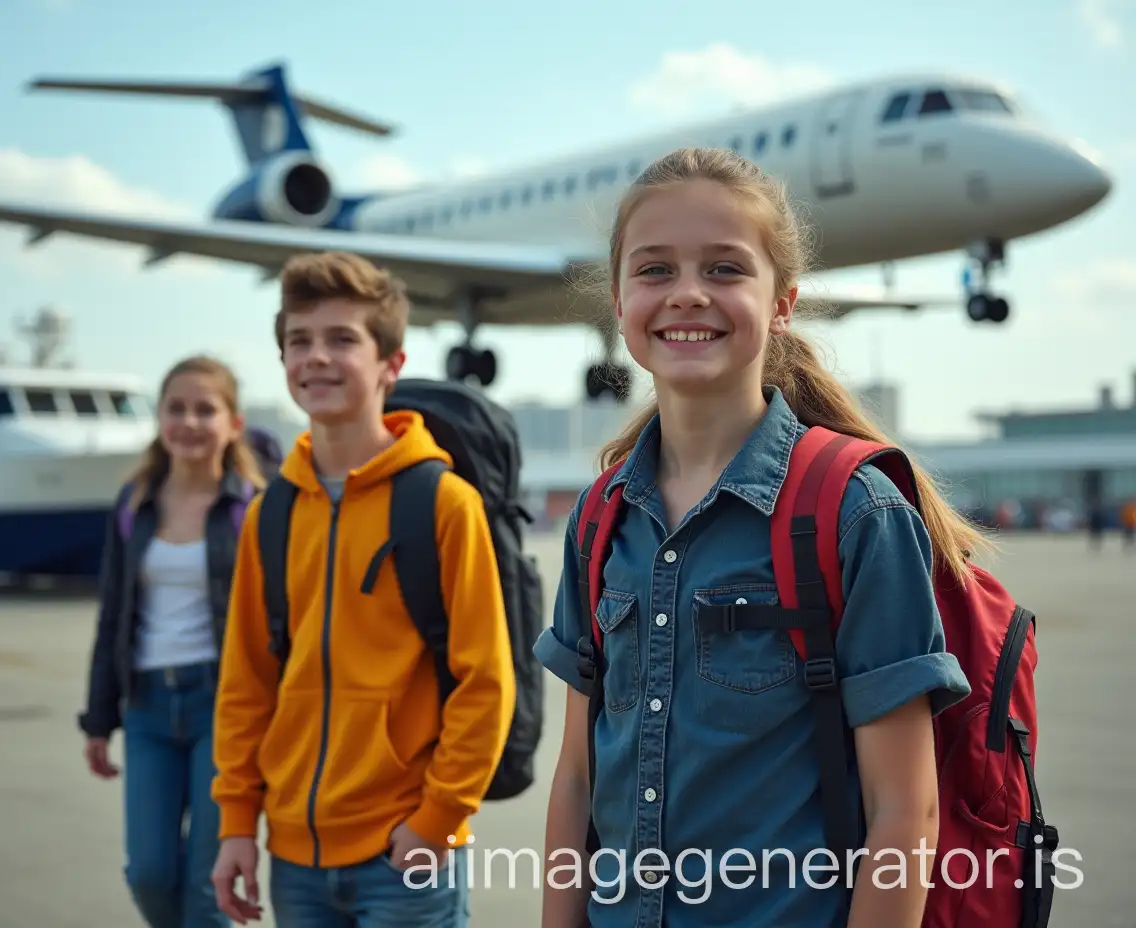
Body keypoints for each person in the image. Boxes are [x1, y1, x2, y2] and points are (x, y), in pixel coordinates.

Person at [535, 147, 976, 928]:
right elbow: (574, 779)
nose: (689, 294)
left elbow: (905, 813)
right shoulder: (600, 517)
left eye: (727, 269)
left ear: (782, 302)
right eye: (655, 270)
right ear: (618, 299)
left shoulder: (858, 513)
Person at [209, 251, 516, 927]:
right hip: (293, 856)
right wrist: (237, 822)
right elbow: (246, 681)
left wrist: (437, 820)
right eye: (299, 341)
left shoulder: (443, 503)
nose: (316, 357)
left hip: (406, 853)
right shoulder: (273, 511)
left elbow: (485, 682)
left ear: (391, 364)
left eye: (342, 339)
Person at [79, 354, 267, 928]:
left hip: (223, 704)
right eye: (176, 408)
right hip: (147, 707)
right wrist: (97, 718)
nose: (189, 421)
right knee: (150, 874)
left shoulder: (252, 507)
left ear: (233, 423)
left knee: (206, 881)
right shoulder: (134, 504)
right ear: (159, 418)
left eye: (205, 409)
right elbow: (113, 614)